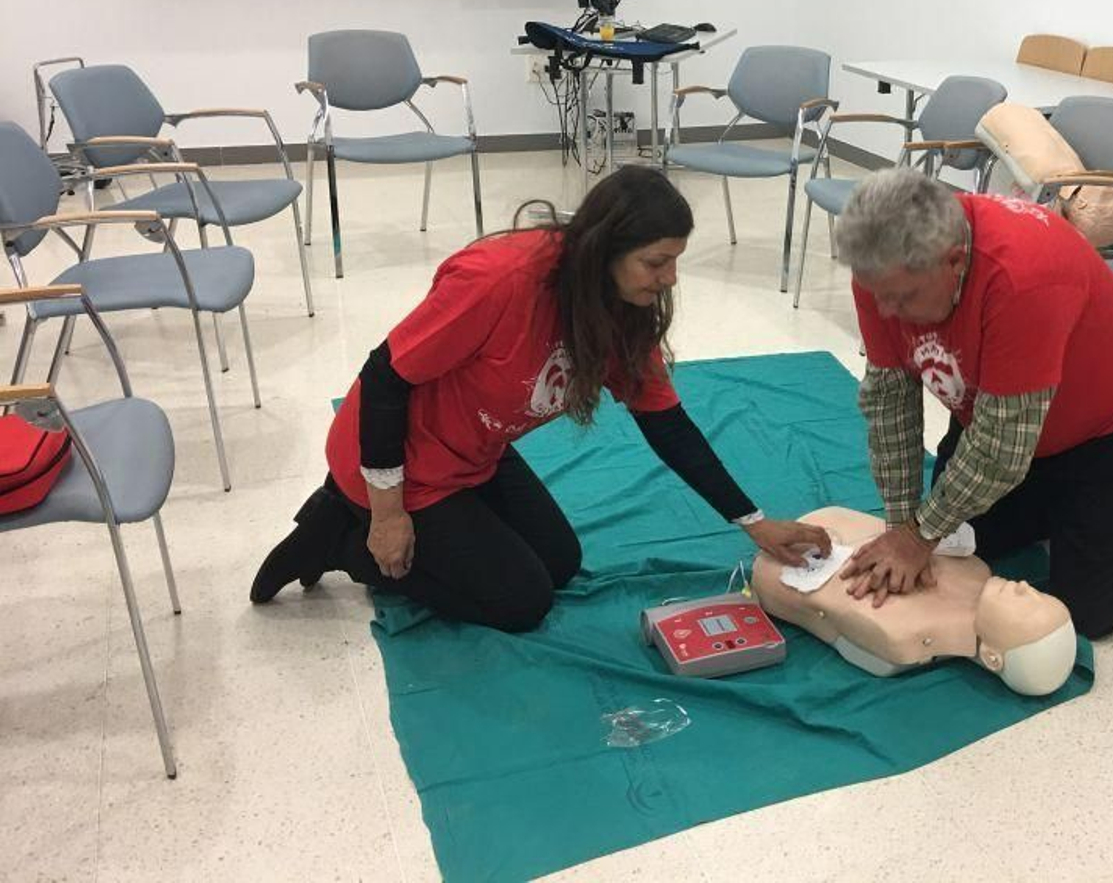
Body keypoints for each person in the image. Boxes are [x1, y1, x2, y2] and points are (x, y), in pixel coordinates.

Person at [250, 166, 829, 632]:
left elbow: (667, 424)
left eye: (675, 260)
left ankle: (359, 521)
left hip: (476, 452)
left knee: (559, 565)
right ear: (604, 250)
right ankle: (338, 537)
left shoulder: (618, 311)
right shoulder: (499, 280)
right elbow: (384, 378)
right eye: (657, 262)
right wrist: (387, 513)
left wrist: (753, 523)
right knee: (520, 603)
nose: (670, 278)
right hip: (396, 461)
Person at [832, 168, 1113, 640]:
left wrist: (919, 536)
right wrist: (903, 524)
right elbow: (890, 404)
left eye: (902, 298)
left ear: (955, 261)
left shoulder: (1023, 275)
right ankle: (1050, 495)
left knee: (1086, 615)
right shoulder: (883, 273)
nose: (886, 312)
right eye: (878, 296)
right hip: (994, 412)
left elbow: (1000, 450)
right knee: (965, 547)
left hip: (1108, 427)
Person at [752, 506, 1080, 696]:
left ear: (994, 658)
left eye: (1028, 605)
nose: (1025, 586)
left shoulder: (902, 637)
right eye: (1039, 594)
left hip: (790, 566)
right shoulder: (976, 569)